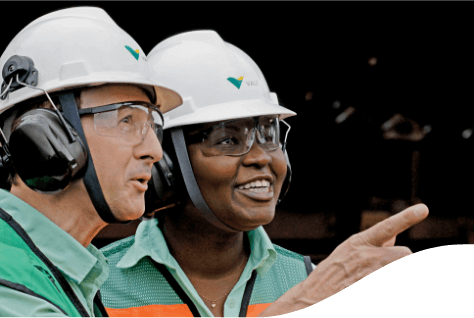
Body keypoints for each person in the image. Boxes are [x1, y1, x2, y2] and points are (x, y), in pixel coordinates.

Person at [98, 30, 429, 318]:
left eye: (269, 136)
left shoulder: (311, 279)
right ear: (162, 161)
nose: (262, 158)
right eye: (228, 139)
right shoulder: (94, 287)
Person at [0, 7, 182, 317]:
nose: (154, 150)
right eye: (126, 119)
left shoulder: (68, 273)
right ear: (44, 133)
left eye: (152, 125)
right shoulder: (11, 287)